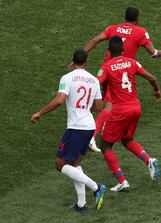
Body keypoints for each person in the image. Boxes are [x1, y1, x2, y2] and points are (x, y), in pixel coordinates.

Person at [83, 6, 161, 152]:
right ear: (138, 19)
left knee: (101, 99)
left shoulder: (113, 28)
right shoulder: (141, 32)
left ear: (124, 17)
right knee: (109, 105)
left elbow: (95, 40)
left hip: (106, 68)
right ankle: (91, 136)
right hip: (122, 71)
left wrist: (80, 55)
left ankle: (86, 122)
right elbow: (152, 53)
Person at [31, 50, 106, 212]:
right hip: (89, 127)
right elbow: (100, 106)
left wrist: (40, 113)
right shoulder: (93, 80)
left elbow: (59, 101)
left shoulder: (67, 78)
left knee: (60, 165)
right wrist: (85, 109)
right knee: (75, 164)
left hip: (76, 128)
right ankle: (81, 204)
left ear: (72, 61)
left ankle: (96, 187)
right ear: (86, 62)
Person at [97, 36, 161, 192]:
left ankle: (122, 181)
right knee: (126, 140)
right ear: (123, 50)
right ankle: (148, 160)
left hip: (120, 111)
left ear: (108, 51)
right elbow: (152, 77)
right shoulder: (132, 62)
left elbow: (96, 82)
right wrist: (156, 90)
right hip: (136, 108)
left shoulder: (106, 67)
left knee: (105, 146)